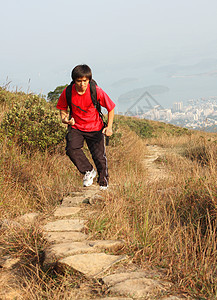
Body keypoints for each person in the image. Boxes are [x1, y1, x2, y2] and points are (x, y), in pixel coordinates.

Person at [56, 64, 115, 190]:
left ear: (89, 80)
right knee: (71, 149)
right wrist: (65, 119)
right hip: (76, 126)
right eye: (79, 81)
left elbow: (111, 107)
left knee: (99, 157)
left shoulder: (96, 90)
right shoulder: (68, 92)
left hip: (95, 127)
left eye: (85, 81)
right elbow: (62, 109)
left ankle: (103, 183)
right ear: (74, 81)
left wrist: (109, 127)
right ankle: (88, 171)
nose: (82, 84)